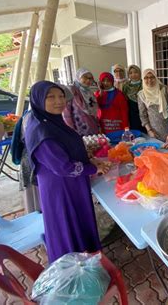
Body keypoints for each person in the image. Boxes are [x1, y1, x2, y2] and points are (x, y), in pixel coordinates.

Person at [24, 81, 109, 262]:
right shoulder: (41, 131)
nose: (59, 101)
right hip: (61, 189)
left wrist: (88, 158)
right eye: (51, 97)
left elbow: (68, 148)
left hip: (69, 185)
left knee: (78, 222)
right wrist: (94, 168)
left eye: (61, 96)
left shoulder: (49, 121)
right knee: (69, 225)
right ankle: (74, 269)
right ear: (39, 100)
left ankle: (87, 260)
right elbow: (64, 167)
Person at [62, 68, 99, 136]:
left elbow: (94, 111)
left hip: (92, 128)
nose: (88, 80)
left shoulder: (89, 92)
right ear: (78, 77)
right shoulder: (71, 90)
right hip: (78, 130)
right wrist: (71, 131)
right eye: (85, 77)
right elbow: (66, 112)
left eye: (90, 78)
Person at [137, 69, 168, 141]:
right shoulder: (141, 95)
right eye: (146, 78)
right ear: (143, 79)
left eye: (152, 77)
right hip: (154, 130)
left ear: (156, 77)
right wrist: (149, 130)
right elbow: (143, 115)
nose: (149, 80)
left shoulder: (164, 89)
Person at [122, 64, 145, 132]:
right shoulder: (126, 85)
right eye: (130, 73)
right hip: (132, 112)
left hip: (144, 110)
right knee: (135, 132)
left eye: (135, 72)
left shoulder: (144, 84)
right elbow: (124, 98)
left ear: (139, 73)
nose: (133, 74)